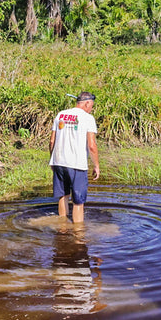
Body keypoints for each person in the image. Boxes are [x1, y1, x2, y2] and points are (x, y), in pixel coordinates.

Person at [49, 91, 100, 223]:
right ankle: (78, 235)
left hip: (59, 161)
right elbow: (92, 145)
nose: (91, 109)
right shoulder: (88, 118)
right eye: (91, 106)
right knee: (78, 201)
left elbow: (52, 141)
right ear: (87, 103)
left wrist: (53, 161)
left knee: (63, 196)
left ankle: (63, 229)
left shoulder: (61, 114)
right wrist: (96, 166)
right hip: (77, 164)